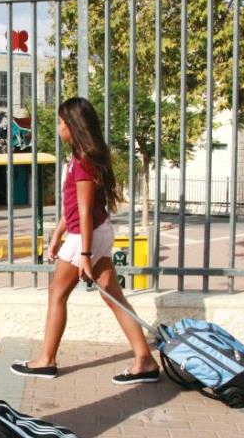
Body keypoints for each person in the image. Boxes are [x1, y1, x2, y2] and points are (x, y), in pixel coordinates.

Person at [10, 97, 160, 385]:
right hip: (93, 232)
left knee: (57, 293)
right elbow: (76, 208)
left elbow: (84, 211)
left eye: (60, 122)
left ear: (73, 126)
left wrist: (86, 255)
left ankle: (46, 360)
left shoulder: (83, 162)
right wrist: (56, 236)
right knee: (112, 295)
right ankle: (145, 360)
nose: (57, 127)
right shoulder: (85, 157)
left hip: (86, 237)